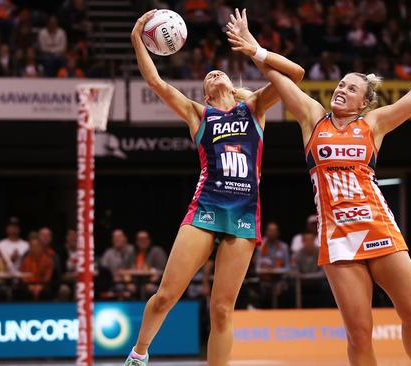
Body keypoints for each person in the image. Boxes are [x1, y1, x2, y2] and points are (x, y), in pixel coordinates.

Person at [227, 13, 411, 365]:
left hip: (378, 225)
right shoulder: (313, 117)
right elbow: (279, 80)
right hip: (338, 235)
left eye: (351, 88)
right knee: (359, 334)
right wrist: (254, 49)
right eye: (340, 85)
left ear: (364, 102)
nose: (341, 90)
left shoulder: (374, 123)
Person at [125, 9, 304, 366]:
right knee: (166, 296)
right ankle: (138, 354)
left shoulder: (254, 108)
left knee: (222, 309)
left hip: (243, 213)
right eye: (209, 76)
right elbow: (157, 83)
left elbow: (295, 75)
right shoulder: (199, 115)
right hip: (206, 207)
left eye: (219, 71)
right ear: (205, 95)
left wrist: (254, 49)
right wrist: (136, 39)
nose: (214, 74)